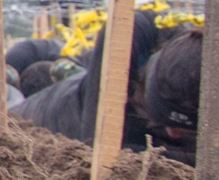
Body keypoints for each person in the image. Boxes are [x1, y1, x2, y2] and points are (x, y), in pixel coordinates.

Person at [16, 10, 201, 165]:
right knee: (10, 111)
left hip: (91, 86)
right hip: (67, 110)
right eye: (163, 119)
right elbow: (100, 150)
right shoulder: (147, 33)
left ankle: (61, 70)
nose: (172, 133)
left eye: (189, 130)